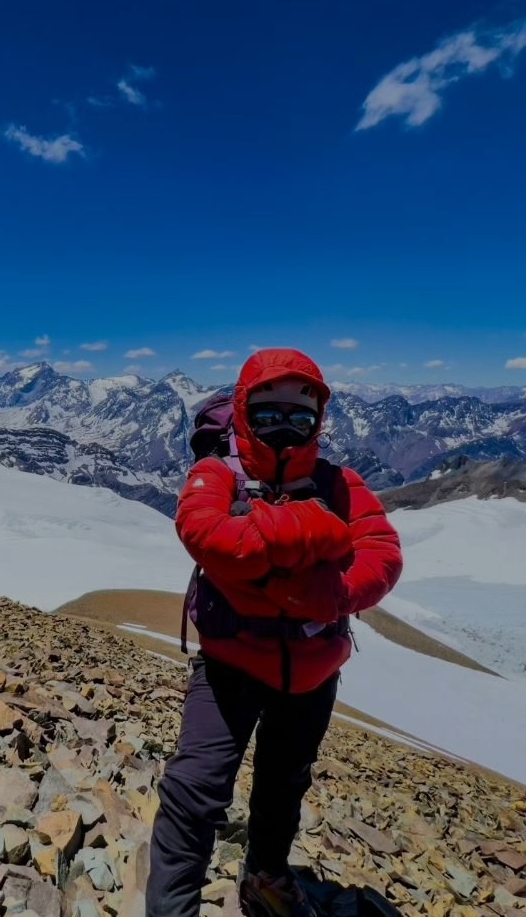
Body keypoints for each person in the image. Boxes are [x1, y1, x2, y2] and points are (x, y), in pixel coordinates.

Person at [146, 348, 403, 917]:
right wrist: (317, 529)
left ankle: (265, 878)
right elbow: (207, 536)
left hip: (312, 673)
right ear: (242, 413)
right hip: (229, 665)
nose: (284, 427)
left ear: (318, 421)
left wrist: (320, 590)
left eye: (299, 416)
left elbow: (382, 556)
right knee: (195, 790)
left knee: (284, 785)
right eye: (266, 415)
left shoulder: (340, 483)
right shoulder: (218, 473)